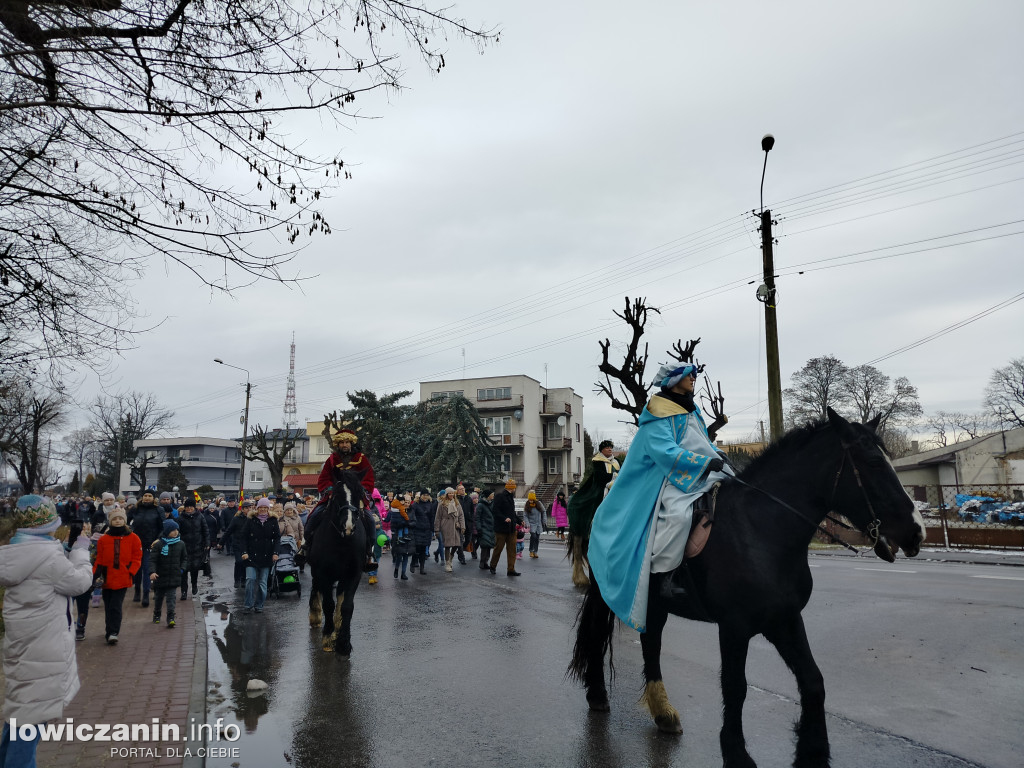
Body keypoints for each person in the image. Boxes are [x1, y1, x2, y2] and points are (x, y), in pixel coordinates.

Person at [588, 362, 733, 632]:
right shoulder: (657, 412)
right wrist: (701, 463)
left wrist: (717, 456)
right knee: (678, 515)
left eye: (695, 375)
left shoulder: (690, 408)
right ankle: (665, 576)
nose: (693, 379)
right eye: (689, 375)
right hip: (666, 477)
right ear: (675, 379)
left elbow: (702, 440)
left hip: (699, 472)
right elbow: (665, 452)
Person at [0, 495, 94, 767]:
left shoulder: (17, 553)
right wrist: (81, 550)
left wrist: (63, 549)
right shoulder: (50, 561)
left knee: (22, 714)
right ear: (46, 525)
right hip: (45, 648)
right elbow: (79, 582)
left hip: (25, 645)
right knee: (30, 722)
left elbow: (43, 570)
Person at [302, 428, 376, 569]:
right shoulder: (331, 460)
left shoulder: (362, 459)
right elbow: (324, 479)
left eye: (347, 442)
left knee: (371, 521)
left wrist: (361, 491)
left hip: (354, 498)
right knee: (313, 517)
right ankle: (305, 547)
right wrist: (330, 490)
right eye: (341, 442)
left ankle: (369, 554)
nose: (344, 445)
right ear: (338, 444)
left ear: (351, 443)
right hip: (335, 497)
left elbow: (368, 479)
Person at [93, 507, 143, 645]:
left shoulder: (133, 538)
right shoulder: (104, 539)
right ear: (110, 521)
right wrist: (95, 575)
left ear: (125, 521)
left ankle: (114, 631)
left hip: (123, 576)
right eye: (115, 519)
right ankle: (109, 630)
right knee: (108, 605)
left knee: (116, 605)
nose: (118, 521)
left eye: (120, 518)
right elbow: (99, 559)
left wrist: (131, 571)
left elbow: (137, 557)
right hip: (106, 577)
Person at [241, 498, 280, 613]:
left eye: (265, 507)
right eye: (261, 507)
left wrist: (275, 553)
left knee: (263, 583)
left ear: (268, 508)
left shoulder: (273, 520)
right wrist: (244, 552)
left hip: (266, 556)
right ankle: (248, 605)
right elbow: (243, 537)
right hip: (251, 555)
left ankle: (259, 605)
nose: (263, 509)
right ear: (257, 508)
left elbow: (277, 538)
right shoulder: (251, 519)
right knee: (250, 580)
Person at [128, 491, 164, 608]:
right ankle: (137, 590)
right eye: (145, 496)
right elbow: (127, 523)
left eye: (149, 496)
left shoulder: (158, 510)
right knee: (137, 569)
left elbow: (163, 527)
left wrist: (158, 539)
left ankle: (145, 595)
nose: (147, 498)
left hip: (150, 544)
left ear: (153, 498)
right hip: (136, 544)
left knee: (147, 569)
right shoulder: (135, 509)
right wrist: (130, 531)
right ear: (142, 497)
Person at [150, 519, 187, 627]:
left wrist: (182, 569)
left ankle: (170, 617)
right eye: (172, 530)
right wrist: (152, 572)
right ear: (166, 531)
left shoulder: (181, 544)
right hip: (160, 576)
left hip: (174, 575)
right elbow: (153, 560)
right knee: (159, 597)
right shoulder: (159, 544)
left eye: (176, 529)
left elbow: (184, 558)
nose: (175, 532)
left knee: (171, 598)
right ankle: (157, 613)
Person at [488, 480, 522, 577]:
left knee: (512, 550)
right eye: (513, 487)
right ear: (510, 487)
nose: (514, 488)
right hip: (501, 529)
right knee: (498, 548)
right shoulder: (500, 496)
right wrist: (504, 518)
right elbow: (495, 511)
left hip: (511, 528)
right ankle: (492, 566)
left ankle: (511, 569)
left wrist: (519, 521)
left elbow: (512, 513)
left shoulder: (511, 497)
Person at [177, 496, 209, 600]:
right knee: (184, 570)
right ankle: (184, 591)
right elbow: (177, 532)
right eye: (187, 507)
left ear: (194, 507)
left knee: (195, 568)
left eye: (191, 507)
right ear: (185, 507)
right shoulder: (180, 518)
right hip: (184, 547)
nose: (189, 509)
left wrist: (207, 543)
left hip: (197, 546)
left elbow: (205, 530)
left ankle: (194, 585)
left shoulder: (200, 516)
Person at [434, 488, 465, 573]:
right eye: (449, 493)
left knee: (457, 544)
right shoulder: (442, 504)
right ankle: (447, 563)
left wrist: (462, 526)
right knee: (447, 545)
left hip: (455, 526)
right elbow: (438, 517)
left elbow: (461, 516)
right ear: (447, 494)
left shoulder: (457, 503)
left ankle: (451, 556)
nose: (451, 495)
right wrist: (436, 529)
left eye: (452, 493)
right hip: (446, 526)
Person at [227, 500, 253, 588]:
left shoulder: (252, 518)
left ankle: (243, 579)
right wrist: (221, 543)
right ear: (242, 509)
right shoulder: (236, 519)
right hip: (237, 543)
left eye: (250, 507)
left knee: (246, 562)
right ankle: (237, 579)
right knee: (239, 561)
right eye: (246, 508)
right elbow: (229, 531)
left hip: (248, 544)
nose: (248, 509)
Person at [409, 491, 435, 576]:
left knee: (423, 549)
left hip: (426, 529)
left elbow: (432, 517)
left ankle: (422, 568)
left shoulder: (430, 505)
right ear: (420, 496)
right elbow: (412, 516)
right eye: (424, 495)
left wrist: (432, 528)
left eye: (427, 495)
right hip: (417, 529)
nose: (425, 497)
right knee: (417, 548)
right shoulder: (415, 505)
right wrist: (414, 525)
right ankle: (413, 563)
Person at [474, 489, 495, 568]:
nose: (493, 495)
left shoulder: (492, 504)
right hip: (484, 527)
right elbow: (477, 518)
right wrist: (479, 528)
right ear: (488, 495)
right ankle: (482, 562)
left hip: (491, 528)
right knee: (485, 546)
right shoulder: (481, 505)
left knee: (489, 546)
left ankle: (486, 562)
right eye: (492, 494)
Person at [524, 490, 546, 558]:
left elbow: (543, 511)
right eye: (529, 500)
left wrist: (544, 520)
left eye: (531, 500)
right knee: (533, 537)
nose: (530, 501)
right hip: (531, 524)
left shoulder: (538, 503)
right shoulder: (527, 505)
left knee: (537, 538)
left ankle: (535, 552)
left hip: (538, 524)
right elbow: (525, 515)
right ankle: (531, 550)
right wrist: (527, 523)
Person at [455, 484, 475, 563]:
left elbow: (472, 510)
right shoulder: (456, 499)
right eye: (460, 489)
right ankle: (461, 557)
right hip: (459, 523)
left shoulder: (468, 499)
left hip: (468, 522)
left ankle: (460, 551)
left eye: (463, 488)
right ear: (457, 491)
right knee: (460, 540)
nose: (463, 490)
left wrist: (471, 519)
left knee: (468, 539)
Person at [201, 503, 221, 576]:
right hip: (207, 530)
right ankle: (207, 554)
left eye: (213, 509)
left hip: (213, 531)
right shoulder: (204, 515)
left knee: (212, 542)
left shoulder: (216, 514)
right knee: (208, 543)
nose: (211, 510)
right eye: (210, 509)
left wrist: (218, 529)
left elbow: (218, 522)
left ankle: (208, 552)